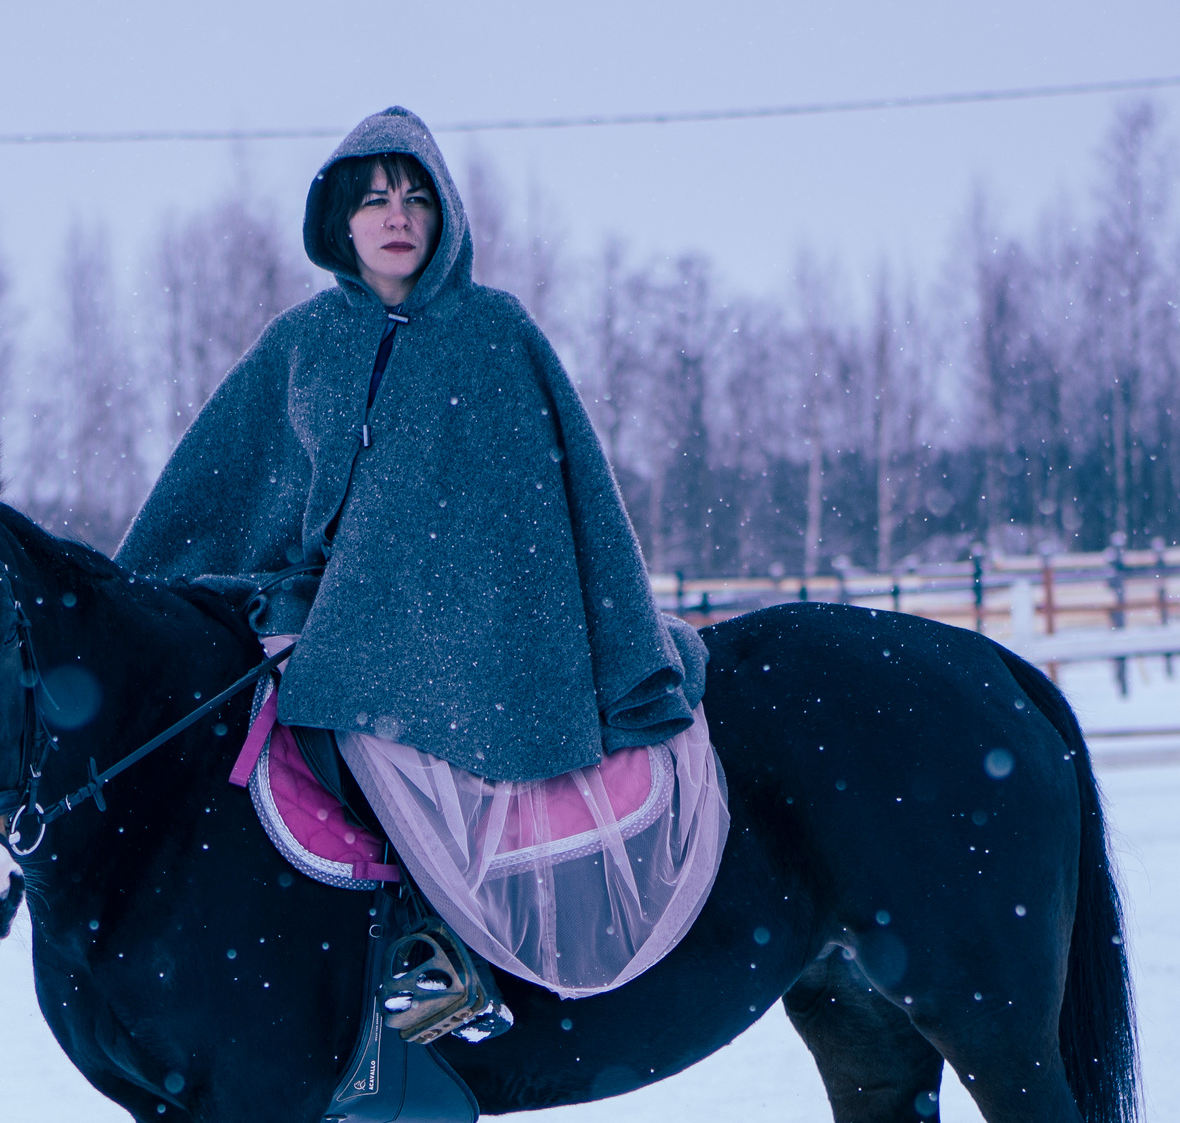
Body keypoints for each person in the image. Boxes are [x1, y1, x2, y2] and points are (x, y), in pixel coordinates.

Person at [119, 107, 726, 1032]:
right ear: (340, 221)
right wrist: (159, 600)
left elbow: (565, 502)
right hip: (329, 627)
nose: (396, 216)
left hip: (484, 634)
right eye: (373, 200)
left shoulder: (493, 335)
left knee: (360, 728)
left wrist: (592, 630)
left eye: (415, 197)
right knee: (262, 740)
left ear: (443, 214)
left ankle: (436, 961)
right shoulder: (304, 345)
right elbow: (231, 483)